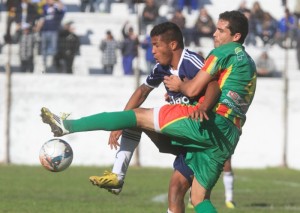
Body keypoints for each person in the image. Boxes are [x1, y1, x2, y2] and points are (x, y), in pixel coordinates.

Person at [40, 11, 257, 212]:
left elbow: (200, 87)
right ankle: (117, 175)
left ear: (236, 36)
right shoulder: (248, 62)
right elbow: (218, 87)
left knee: (138, 116)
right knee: (198, 199)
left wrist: (183, 90)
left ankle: (68, 126)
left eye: (221, 30)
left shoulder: (221, 52)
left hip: (206, 123)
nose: (214, 33)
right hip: (227, 135)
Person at [35, 0, 65, 72]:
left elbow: (62, 11)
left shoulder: (56, 8)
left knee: (53, 48)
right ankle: (44, 63)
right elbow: (40, 18)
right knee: (43, 48)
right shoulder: (43, 8)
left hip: (53, 30)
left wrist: (57, 3)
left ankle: (51, 62)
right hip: (44, 30)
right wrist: (38, 27)